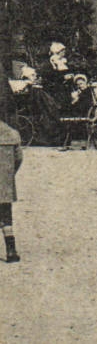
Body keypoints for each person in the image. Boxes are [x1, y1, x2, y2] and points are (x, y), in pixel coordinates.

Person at [1, 113, 22, 263]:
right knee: (6, 214)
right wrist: (9, 175)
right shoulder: (12, 133)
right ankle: (11, 250)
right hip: (3, 182)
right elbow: (18, 158)